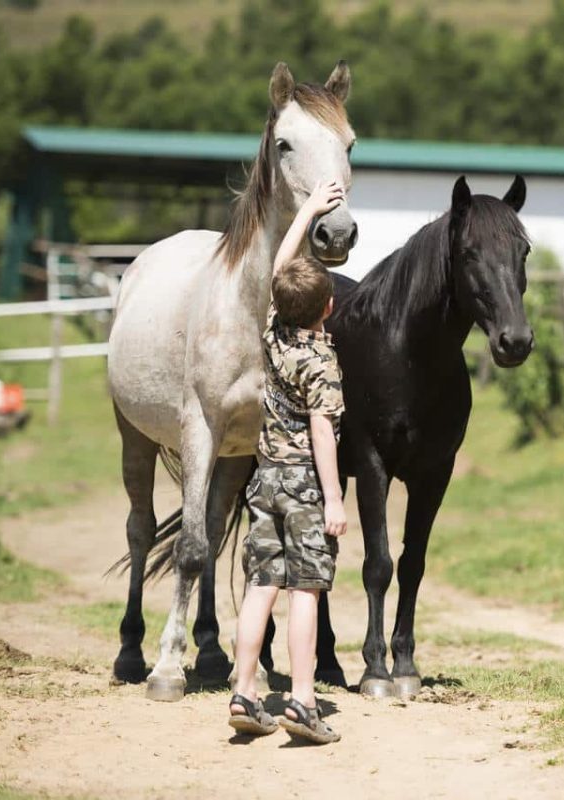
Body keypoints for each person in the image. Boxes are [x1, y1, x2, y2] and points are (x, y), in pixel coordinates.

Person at [227, 180, 349, 743]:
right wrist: (334, 498)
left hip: (264, 481)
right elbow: (324, 434)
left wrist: (307, 213)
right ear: (328, 307)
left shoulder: (272, 331)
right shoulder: (321, 362)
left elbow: (280, 265)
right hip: (303, 485)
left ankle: (246, 691)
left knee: (260, 586)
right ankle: (302, 701)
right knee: (305, 591)